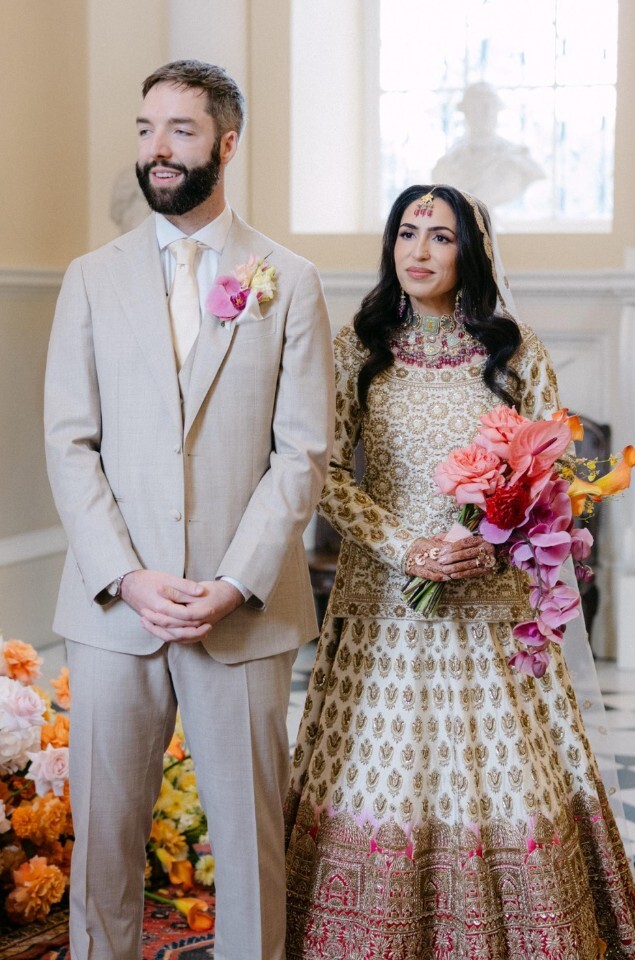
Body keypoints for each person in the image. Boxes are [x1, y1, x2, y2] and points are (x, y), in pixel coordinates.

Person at [284, 184, 635, 958]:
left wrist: (489, 539)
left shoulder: (514, 351)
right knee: (377, 775)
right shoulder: (360, 344)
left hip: (489, 605)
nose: (418, 251)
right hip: (385, 600)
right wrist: (405, 546)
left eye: (440, 237)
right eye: (407, 233)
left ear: (471, 252)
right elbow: (321, 473)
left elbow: (554, 484)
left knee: (504, 777)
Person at [44, 60, 334, 960]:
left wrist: (234, 582)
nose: (157, 149)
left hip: (239, 613)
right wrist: (127, 576)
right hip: (111, 611)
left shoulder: (288, 279)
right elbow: (69, 442)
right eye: (144, 128)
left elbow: (302, 453)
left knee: (250, 850)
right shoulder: (90, 279)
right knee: (102, 851)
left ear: (227, 143)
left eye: (180, 129)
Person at [432, 82, 545, 211]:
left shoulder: (518, 160)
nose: (482, 114)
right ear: (465, 112)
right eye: (475, 107)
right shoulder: (447, 164)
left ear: (497, 110)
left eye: (487, 107)